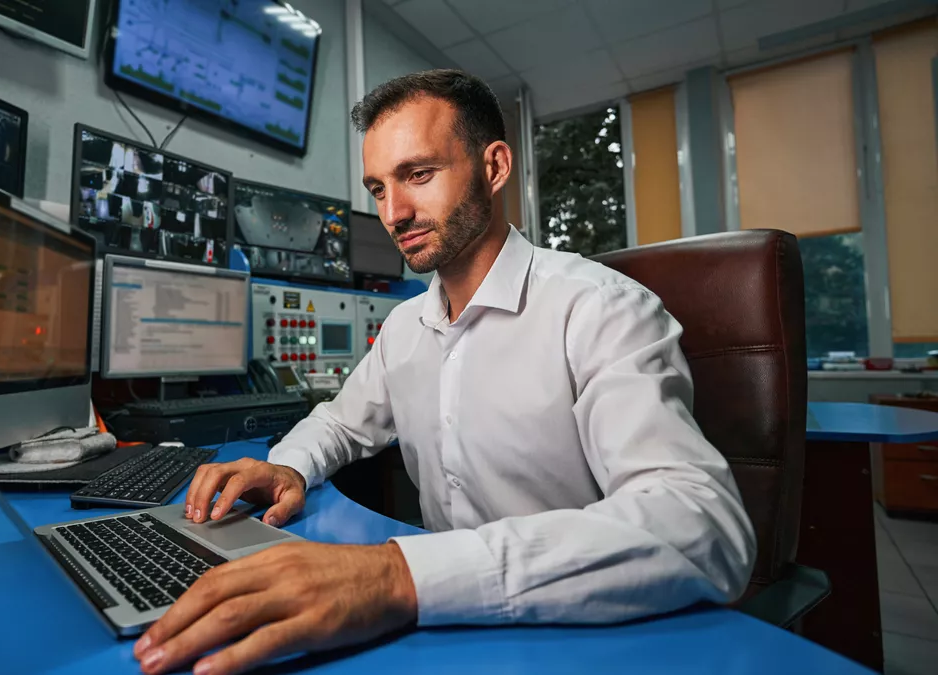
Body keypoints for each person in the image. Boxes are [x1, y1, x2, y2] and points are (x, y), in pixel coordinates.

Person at [132, 69, 756, 675]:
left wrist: (399, 574)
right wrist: (288, 464)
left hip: (574, 633)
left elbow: (700, 523)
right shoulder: (407, 326)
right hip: (440, 631)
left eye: (418, 175)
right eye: (378, 188)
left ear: (494, 167)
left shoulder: (598, 309)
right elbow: (342, 424)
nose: (394, 212)